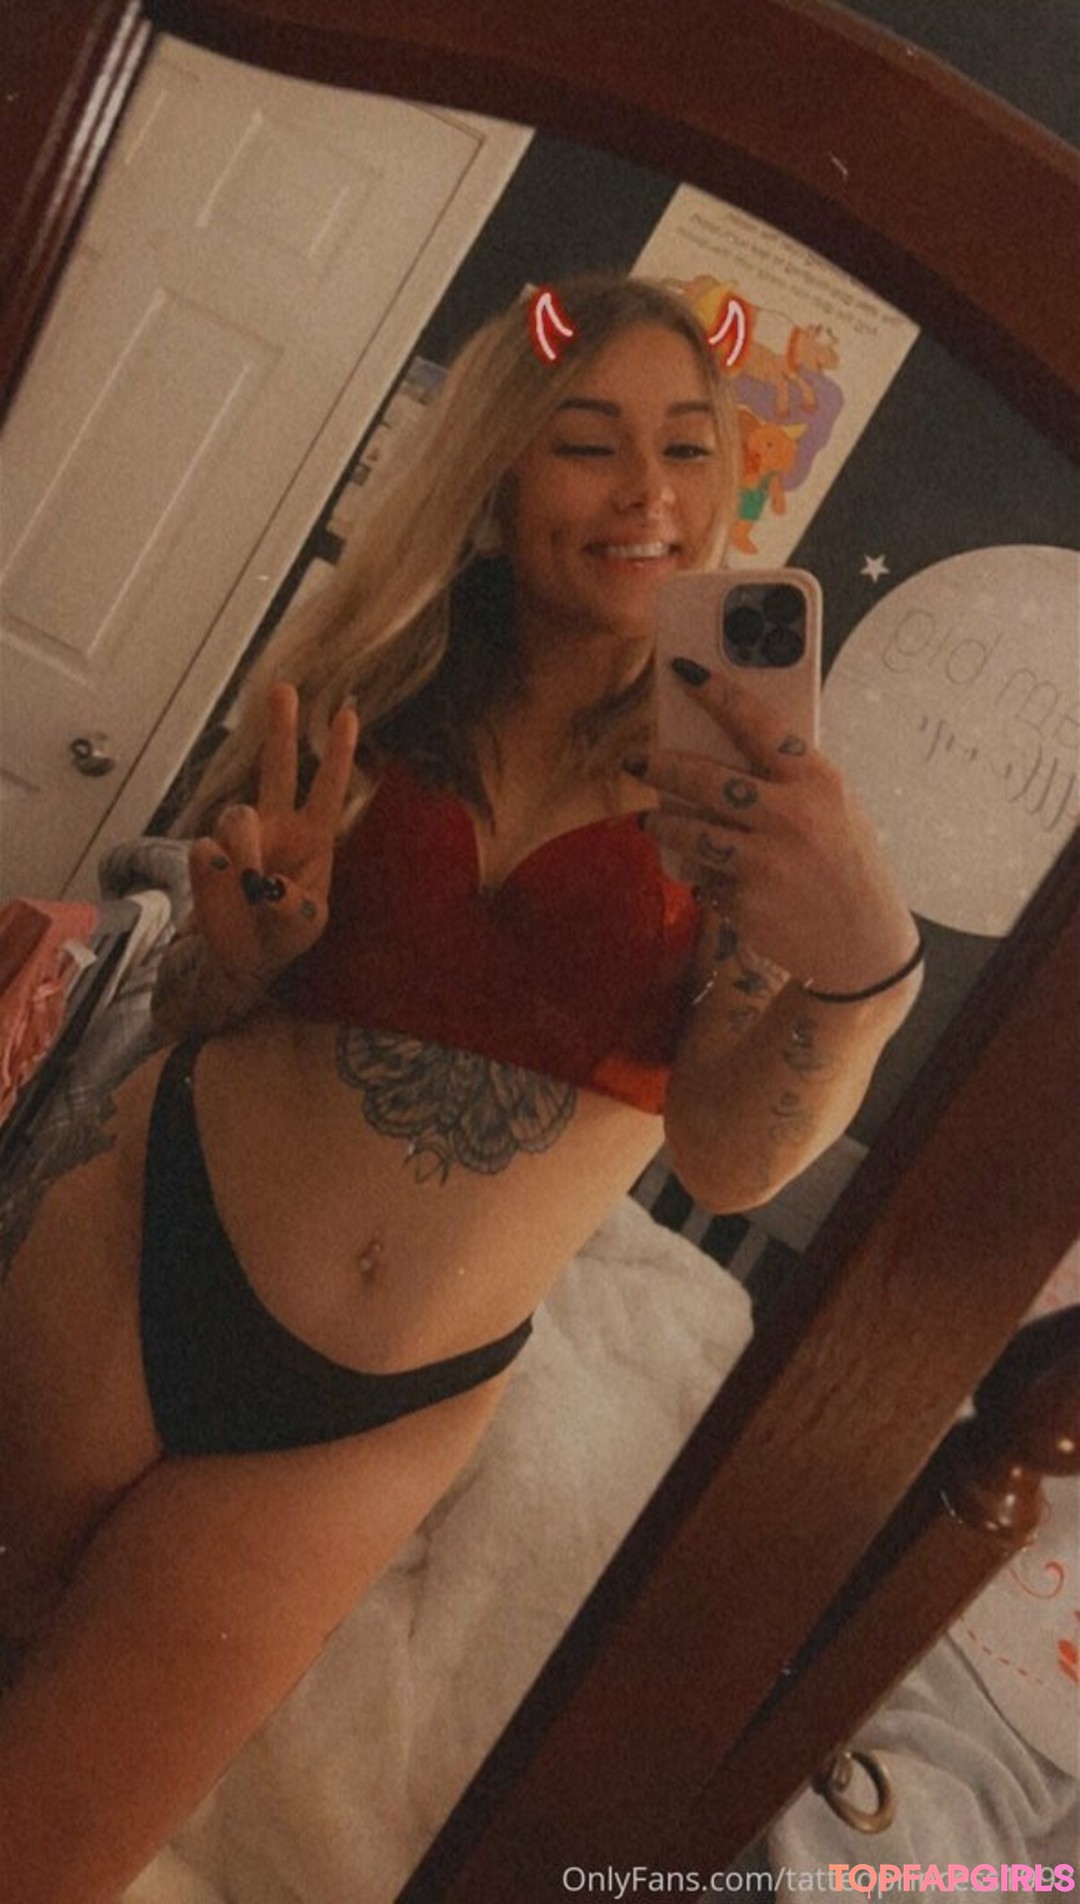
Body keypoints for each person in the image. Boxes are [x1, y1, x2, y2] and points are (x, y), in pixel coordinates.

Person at [0, 276, 922, 1899]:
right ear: (499, 474)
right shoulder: (373, 682)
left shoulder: (743, 797)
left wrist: (864, 985)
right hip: (132, 1252)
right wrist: (245, 949)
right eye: (589, 441)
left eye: (686, 447)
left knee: (49, 1852)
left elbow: (726, 1164)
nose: (647, 492)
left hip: (361, 1422)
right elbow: (199, 1003)